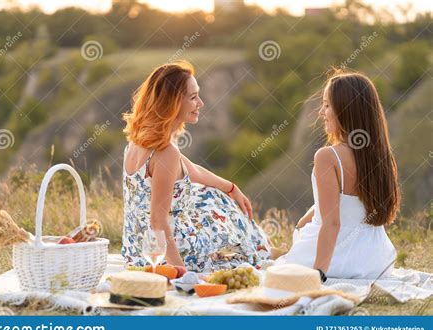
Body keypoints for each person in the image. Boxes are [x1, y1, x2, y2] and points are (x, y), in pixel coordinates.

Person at [121, 61, 271, 272]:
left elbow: (191, 170)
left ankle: (254, 251)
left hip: (134, 251)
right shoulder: (166, 153)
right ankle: (258, 253)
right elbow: (157, 221)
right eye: (193, 97)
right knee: (215, 205)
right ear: (172, 103)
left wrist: (231, 188)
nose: (200, 102)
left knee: (211, 193)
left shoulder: (136, 143)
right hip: (160, 253)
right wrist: (180, 273)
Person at [276, 70, 400, 279]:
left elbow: (332, 223)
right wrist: (304, 221)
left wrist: (319, 273)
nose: (321, 112)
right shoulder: (379, 155)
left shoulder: (327, 156)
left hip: (337, 256)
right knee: (277, 255)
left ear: (345, 109)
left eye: (326, 105)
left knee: (273, 262)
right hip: (377, 260)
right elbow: (343, 204)